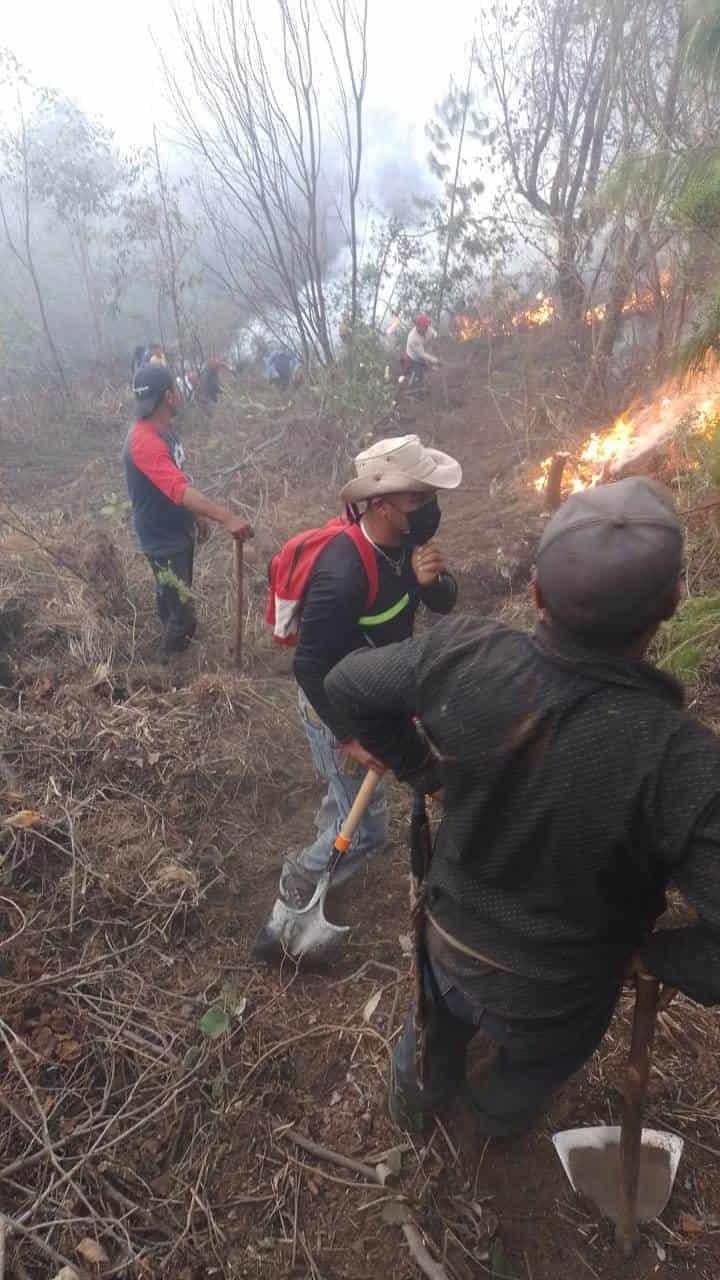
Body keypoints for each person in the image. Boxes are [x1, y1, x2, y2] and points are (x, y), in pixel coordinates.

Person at [324, 476, 720, 1137]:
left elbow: (344, 685)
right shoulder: (685, 764)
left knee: (430, 1037)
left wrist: (421, 770)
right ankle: (490, 1128)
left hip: (448, 946)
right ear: (673, 604)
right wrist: (654, 957)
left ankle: (415, 1105)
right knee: (523, 1081)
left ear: (535, 592)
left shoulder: (464, 654)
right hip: (562, 994)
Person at [252, 435, 463, 960]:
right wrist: (346, 737)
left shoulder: (406, 546)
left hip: (376, 686)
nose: (429, 509)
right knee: (367, 829)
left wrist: (427, 583)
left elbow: (441, 600)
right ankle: (300, 883)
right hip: (335, 705)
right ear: (381, 504)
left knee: (346, 804)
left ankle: (330, 834)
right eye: (418, 499)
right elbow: (308, 665)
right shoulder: (342, 571)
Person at [122, 363, 253, 662]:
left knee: (172, 594)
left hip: (176, 532)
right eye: (176, 389)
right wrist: (226, 517)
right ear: (170, 395)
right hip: (161, 540)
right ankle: (169, 668)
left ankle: (170, 622)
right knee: (184, 616)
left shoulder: (165, 429)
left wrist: (197, 516)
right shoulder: (144, 441)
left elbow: (175, 480)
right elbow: (179, 491)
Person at [405, 315, 440, 388]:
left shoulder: (427, 328)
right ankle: (415, 390)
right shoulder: (413, 338)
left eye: (426, 326)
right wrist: (436, 360)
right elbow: (422, 354)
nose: (427, 327)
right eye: (424, 326)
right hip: (414, 357)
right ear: (418, 326)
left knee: (429, 367)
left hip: (423, 349)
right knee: (419, 375)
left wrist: (436, 340)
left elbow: (434, 334)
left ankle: (427, 371)